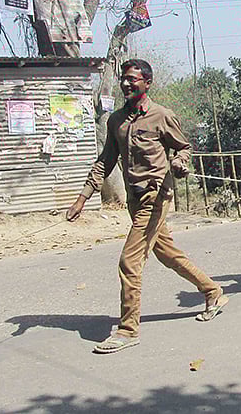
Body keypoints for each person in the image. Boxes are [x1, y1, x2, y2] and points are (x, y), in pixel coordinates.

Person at [65, 59, 224, 354]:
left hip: (156, 197)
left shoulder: (161, 116)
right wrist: (83, 198)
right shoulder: (116, 121)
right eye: (124, 79)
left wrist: (178, 162)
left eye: (133, 79)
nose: (126, 84)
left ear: (147, 83)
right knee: (167, 254)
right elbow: (105, 161)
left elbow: (183, 147)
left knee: (130, 261)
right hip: (134, 199)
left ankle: (127, 330)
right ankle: (212, 291)